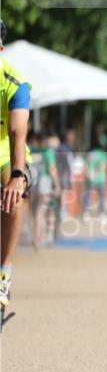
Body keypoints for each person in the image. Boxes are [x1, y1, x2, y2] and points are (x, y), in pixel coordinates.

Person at [0, 18, 34, 308]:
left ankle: (5, 271)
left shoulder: (15, 82)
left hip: (9, 151)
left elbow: (17, 132)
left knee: (14, 194)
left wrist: (17, 175)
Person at [82, 134, 107, 219]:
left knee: (88, 195)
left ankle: (86, 213)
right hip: (101, 179)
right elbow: (102, 167)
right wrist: (96, 175)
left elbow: (85, 166)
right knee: (101, 197)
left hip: (90, 179)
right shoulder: (103, 154)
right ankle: (101, 214)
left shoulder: (90, 154)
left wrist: (90, 176)